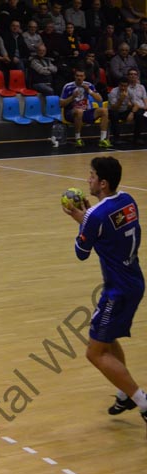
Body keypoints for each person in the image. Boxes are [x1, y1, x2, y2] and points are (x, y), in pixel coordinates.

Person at [62, 157, 147, 428]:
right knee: (107, 340)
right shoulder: (128, 201)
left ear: (103, 183)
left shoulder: (95, 217)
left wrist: (82, 221)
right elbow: (110, 228)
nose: (88, 179)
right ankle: (125, 394)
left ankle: (143, 402)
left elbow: (81, 253)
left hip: (116, 290)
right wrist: (87, 218)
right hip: (134, 281)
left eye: (92, 175)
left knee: (94, 352)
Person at [60, 69, 111, 148]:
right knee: (79, 111)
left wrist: (89, 91)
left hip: (85, 112)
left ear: (84, 77)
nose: (79, 78)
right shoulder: (68, 86)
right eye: (77, 76)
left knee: (104, 111)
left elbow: (100, 99)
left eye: (81, 76)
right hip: (71, 113)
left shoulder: (88, 85)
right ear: (74, 76)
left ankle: (103, 139)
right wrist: (72, 97)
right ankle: (78, 139)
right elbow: (61, 104)